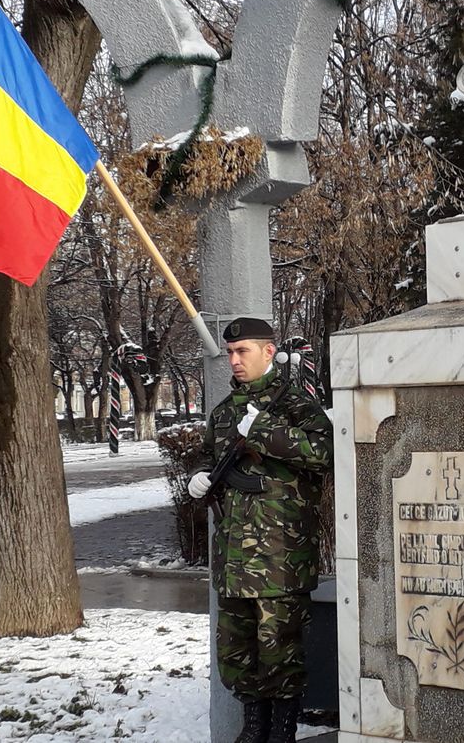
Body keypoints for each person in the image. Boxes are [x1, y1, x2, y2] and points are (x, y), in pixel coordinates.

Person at [187, 317, 333, 743]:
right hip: (234, 562)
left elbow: (323, 453)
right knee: (238, 654)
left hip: (279, 559)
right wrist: (198, 474)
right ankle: (254, 729)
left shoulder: (295, 405)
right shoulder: (224, 412)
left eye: (242, 351)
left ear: (268, 352)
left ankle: (281, 732)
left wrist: (263, 431)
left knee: (280, 653)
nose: (234, 360)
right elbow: (203, 455)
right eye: (230, 353)